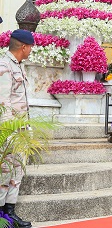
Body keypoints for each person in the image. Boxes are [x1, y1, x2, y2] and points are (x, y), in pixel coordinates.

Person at [0, 29, 35, 228]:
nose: (31, 50)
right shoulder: (4, 65)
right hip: (10, 131)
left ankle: (10, 212)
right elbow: (3, 103)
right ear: (23, 47)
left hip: (21, 129)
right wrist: (9, 134)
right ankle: (2, 216)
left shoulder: (18, 66)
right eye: (30, 47)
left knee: (17, 172)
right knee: (5, 172)